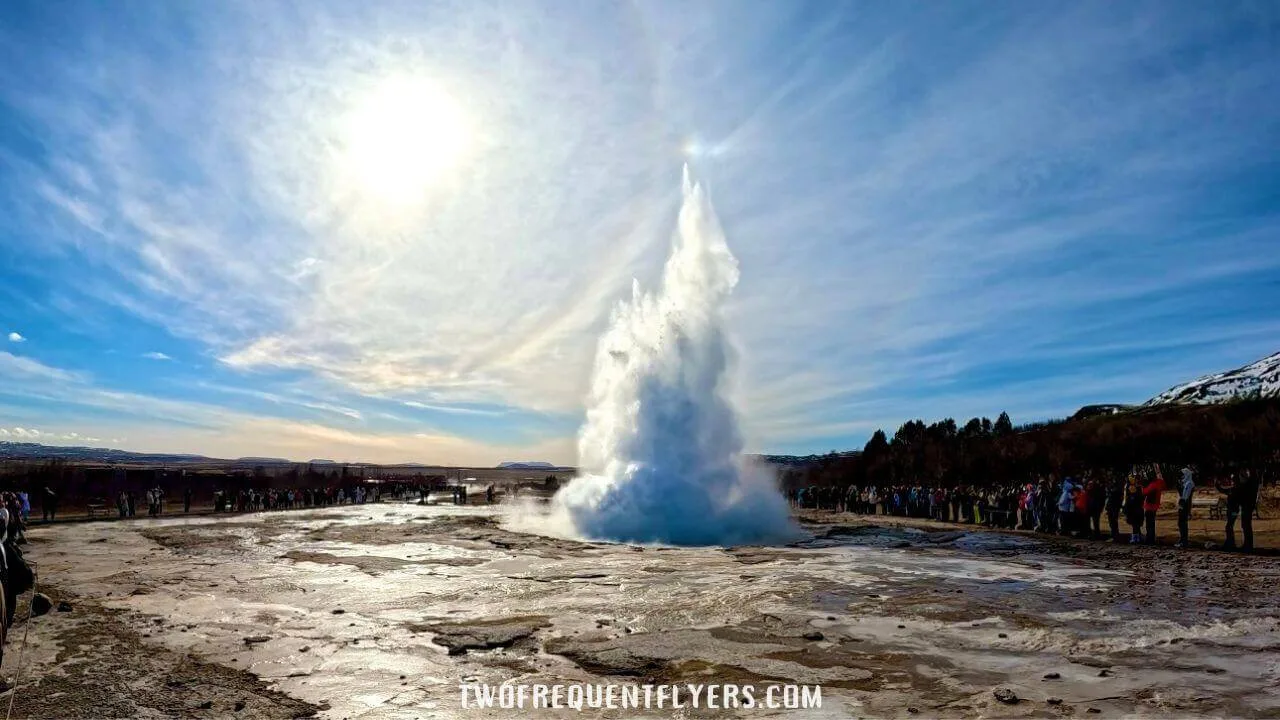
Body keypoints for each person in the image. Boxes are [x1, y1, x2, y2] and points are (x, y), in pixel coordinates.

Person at [1141, 467, 1166, 545]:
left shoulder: (1152, 485)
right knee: (1152, 523)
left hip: (1150, 506)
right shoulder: (1159, 483)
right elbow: (1161, 478)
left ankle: (1150, 539)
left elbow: (1144, 492)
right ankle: (1151, 538)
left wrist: (1142, 487)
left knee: (1149, 525)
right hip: (1155, 505)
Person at [1175, 466, 1195, 548]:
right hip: (1183, 505)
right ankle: (1182, 540)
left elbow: (1185, 496)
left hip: (1185, 505)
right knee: (1181, 523)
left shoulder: (1189, 484)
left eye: (1183, 475)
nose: (1182, 476)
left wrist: (1182, 504)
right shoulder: (1186, 483)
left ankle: (1184, 541)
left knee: (1182, 523)